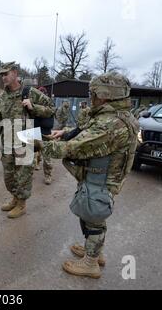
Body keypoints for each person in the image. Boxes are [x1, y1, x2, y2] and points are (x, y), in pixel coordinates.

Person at [40, 72, 139, 278]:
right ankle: (94, 251)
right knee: (91, 215)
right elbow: (86, 131)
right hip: (100, 176)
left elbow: (73, 148)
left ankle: (91, 263)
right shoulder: (117, 116)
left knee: (93, 217)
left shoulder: (111, 124)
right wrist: (65, 132)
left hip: (100, 179)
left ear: (105, 95)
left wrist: (38, 144)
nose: (90, 97)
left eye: (93, 93)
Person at [0, 62, 56, 219]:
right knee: (9, 176)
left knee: (23, 175)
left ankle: (22, 204)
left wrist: (33, 106)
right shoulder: (1, 98)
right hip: (7, 141)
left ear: (15, 72)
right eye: (1, 75)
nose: (3, 77)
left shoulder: (30, 92)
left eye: (6, 73)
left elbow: (51, 109)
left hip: (26, 140)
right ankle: (15, 198)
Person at [34, 86, 55, 185]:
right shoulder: (33, 105)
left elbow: (49, 124)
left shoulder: (49, 105)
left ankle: (48, 175)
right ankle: (31, 170)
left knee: (47, 157)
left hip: (45, 134)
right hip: (34, 133)